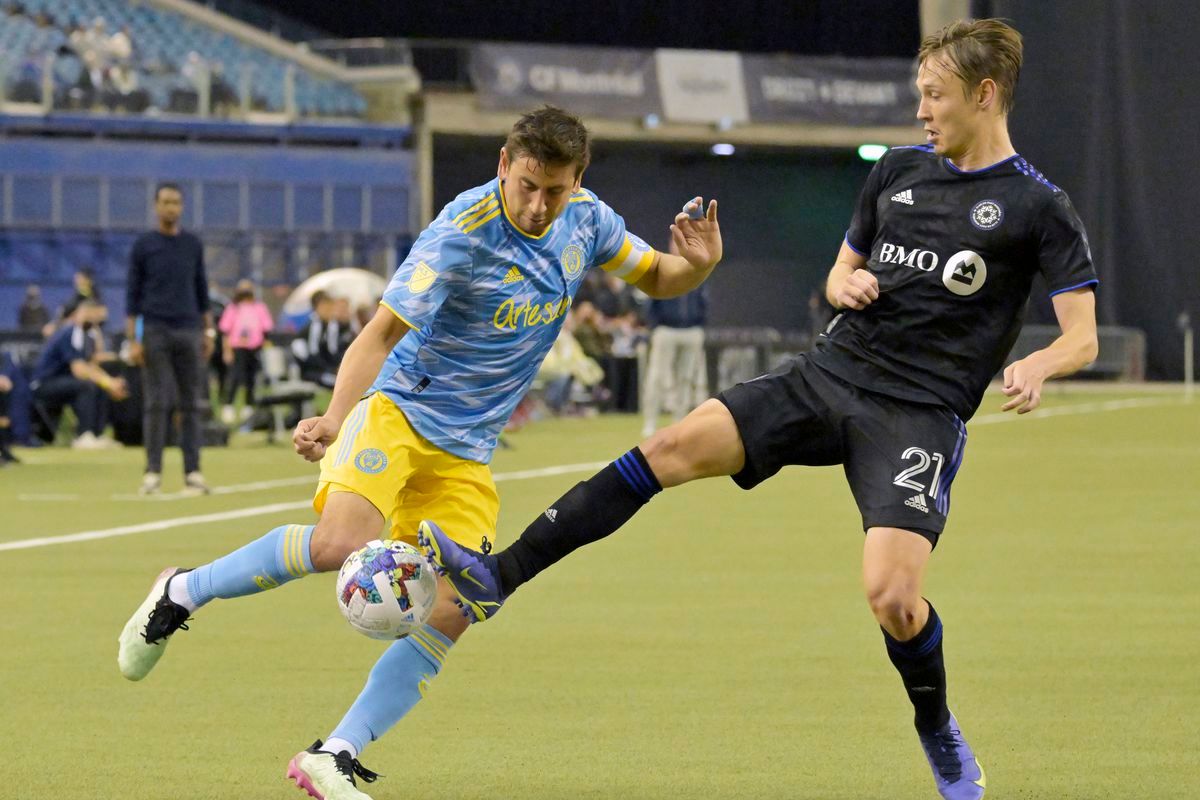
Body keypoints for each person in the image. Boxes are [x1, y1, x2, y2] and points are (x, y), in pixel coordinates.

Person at [423, 21, 1099, 800]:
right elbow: (845, 269)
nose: (921, 110)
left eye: (935, 95)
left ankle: (936, 726)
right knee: (670, 446)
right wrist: (843, 284)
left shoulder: (1038, 206)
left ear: (984, 96)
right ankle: (498, 576)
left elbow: (1079, 336)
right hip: (827, 375)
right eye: (919, 93)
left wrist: (1041, 362)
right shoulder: (896, 175)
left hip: (918, 414)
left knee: (894, 598)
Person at [115, 105, 723, 800]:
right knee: (337, 543)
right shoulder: (461, 233)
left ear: (577, 180)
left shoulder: (588, 221)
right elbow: (377, 336)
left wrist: (699, 267)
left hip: (466, 454)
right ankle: (179, 592)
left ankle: (333, 755)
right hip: (400, 413)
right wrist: (336, 417)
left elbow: (660, 276)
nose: (536, 204)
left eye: (553, 190)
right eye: (526, 184)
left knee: (456, 607)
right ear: (504, 164)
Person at [126, 182, 213, 496]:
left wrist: (207, 331)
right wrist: (134, 340)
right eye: (165, 202)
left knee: (190, 403)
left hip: (189, 329)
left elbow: (201, 289)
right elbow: (132, 297)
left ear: (182, 207)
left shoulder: (192, 244)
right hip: (155, 330)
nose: (171, 208)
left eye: (176, 202)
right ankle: (152, 472)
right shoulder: (144, 245)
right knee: (157, 400)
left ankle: (193, 472)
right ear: (155, 206)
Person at [31, 299, 129, 449]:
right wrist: (108, 382)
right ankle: (84, 436)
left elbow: (90, 365)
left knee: (99, 386)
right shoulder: (70, 331)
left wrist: (109, 383)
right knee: (87, 385)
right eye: (97, 319)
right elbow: (79, 370)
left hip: (62, 381)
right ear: (86, 314)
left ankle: (97, 434)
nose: (98, 324)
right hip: (43, 384)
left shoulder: (84, 335)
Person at [640, 239, 709, 437]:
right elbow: (651, 297)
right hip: (666, 329)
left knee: (686, 378)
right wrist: (655, 326)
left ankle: (679, 422)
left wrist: (700, 323)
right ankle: (650, 422)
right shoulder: (663, 266)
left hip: (691, 330)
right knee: (657, 377)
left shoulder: (697, 269)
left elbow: (704, 301)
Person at [219, 279, 274, 424]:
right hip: (238, 347)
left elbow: (266, 328)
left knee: (251, 378)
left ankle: (249, 406)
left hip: (254, 347)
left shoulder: (259, 307)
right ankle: (228, 405)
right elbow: (225, 331)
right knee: (235, 376)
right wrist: (227, 350)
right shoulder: (233, 308)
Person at [290, 290, 352, 389]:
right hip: (312, 371)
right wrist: (330, 370)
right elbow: (313, 355)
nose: (330, 311)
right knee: (338, 383)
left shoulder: (332, 325)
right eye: (327, 307)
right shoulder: (314, 326)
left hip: (325, 368)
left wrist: (337, 367)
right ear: (318, 307)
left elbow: (332, 351)